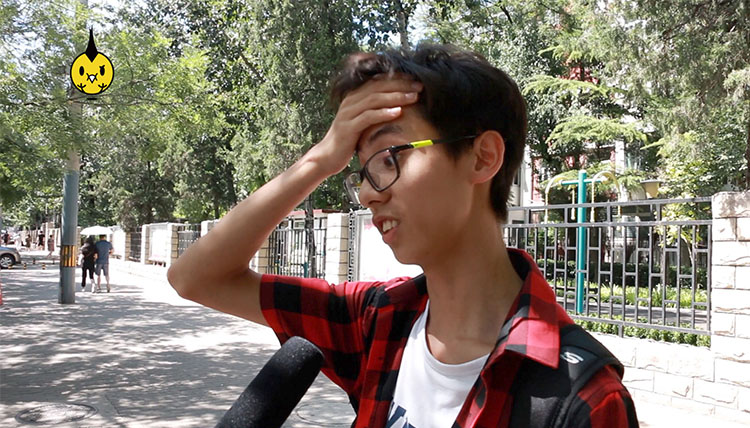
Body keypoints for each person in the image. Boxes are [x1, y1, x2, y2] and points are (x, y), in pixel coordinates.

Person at [168, 44, 637, 427]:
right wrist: (321, 159)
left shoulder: (581, 401)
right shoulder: (376, 322)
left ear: (482, 158)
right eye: (361, 172)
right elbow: (196, 277)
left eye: (390, 157)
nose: (368, 194)